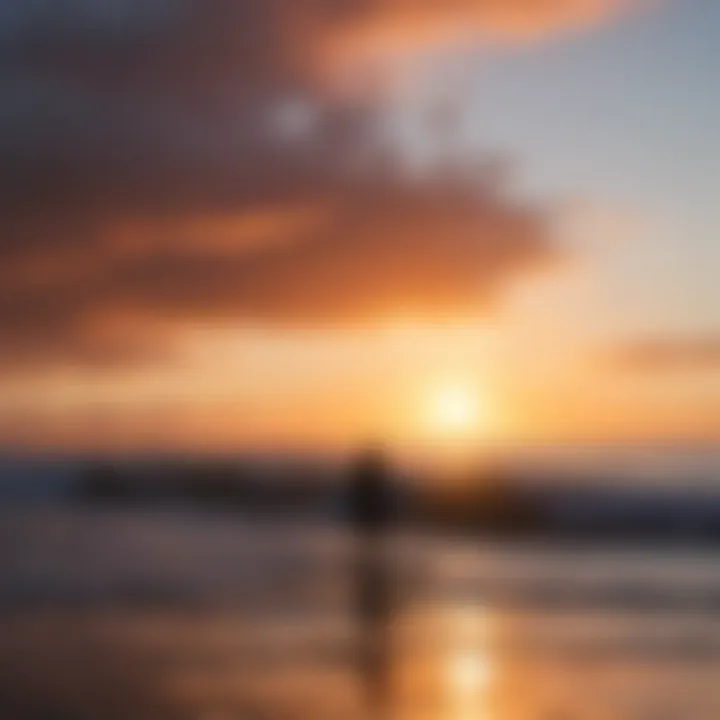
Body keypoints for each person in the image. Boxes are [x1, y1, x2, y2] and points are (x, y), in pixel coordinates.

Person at [346, 446, 395, 715]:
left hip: (369, 523)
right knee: (372, 561)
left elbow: (366, 503)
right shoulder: (372, 477)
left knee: (369, 558)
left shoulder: (367, 477)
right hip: (371, 523)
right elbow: (375, 504)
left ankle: (370, 577)